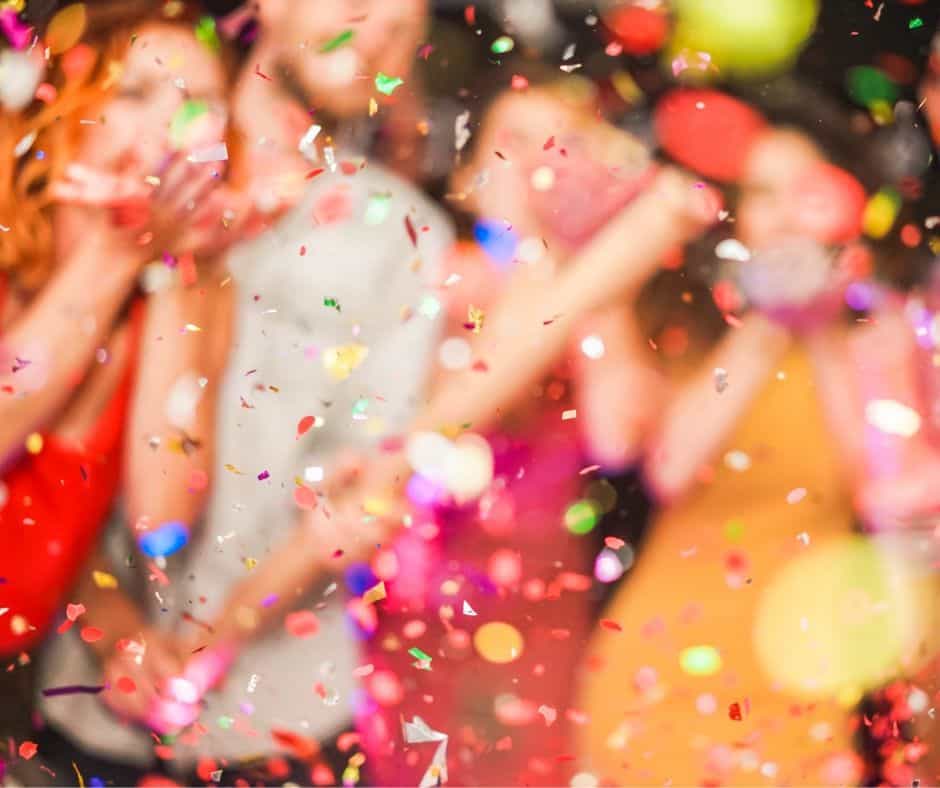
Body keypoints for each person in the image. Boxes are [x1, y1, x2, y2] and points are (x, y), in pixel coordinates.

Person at [35, 0, 452, 785]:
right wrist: (112, 626)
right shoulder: (112, 175)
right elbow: (40, 444)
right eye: (360, 7)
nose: (376, 40)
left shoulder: (404, 236)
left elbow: (366, 483)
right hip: (78, 697)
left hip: (277, 717)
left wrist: (212, 639)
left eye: (403, 32)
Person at [576, 93, 940, 785]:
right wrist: (767, 327)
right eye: (763, 193)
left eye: (802, 192)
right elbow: (670, 470)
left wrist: (822, 328)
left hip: (804, 663)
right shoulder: (697, 328)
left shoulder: (878, 337)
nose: (781, 214)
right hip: (666, 655)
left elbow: (875, 484)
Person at [0, 0, 236, 749]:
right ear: (61, 111)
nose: (175, 125)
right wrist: (114, 255)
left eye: (199, 104)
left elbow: (157, 520)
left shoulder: (187, 292)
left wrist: (117, 628)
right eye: (137, 93)